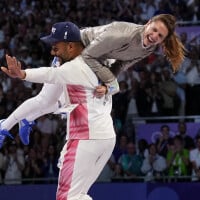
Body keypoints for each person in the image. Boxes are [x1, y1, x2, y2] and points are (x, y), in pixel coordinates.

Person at [1, 21, 116, 200]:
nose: (52, 51)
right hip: (105, 136)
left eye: (56, 46)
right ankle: (16, 122)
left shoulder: (79, 63)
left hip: (86, 137)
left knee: (68, 197)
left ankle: (15, 122)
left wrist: (23, 74)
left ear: (71, 46)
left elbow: (49, 77)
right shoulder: (85, 56)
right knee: (78, 195)